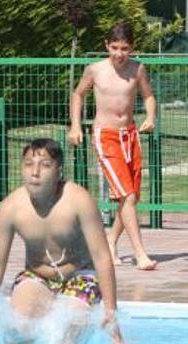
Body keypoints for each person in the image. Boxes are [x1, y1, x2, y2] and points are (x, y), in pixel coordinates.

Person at [0, 138, 125, 344]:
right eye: (28, 164)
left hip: (80, 276)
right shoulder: (10, 209)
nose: (35, 172)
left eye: (45, 165)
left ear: (59, 171)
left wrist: (110, 313)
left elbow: (102, 257)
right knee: (16, 339)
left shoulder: (79, 201)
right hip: (37, 276)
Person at [68, 21, 158, 270]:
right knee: (127, 196)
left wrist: (150, 117)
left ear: (132, 48)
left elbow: (149, 96)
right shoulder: (95, 70)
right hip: (105, 135)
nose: (119, 53)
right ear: (107, 45)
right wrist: (75, 125)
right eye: (115, 47)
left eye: (125, 48)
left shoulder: (138, 69)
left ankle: (110, 241)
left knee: (131, 197)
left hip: (129, 135)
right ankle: (140, 254)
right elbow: (78, 95)